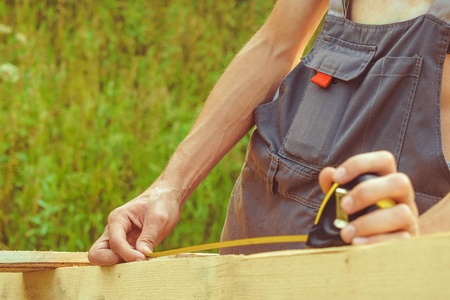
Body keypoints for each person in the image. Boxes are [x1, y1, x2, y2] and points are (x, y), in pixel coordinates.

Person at [88, 0, 450, 265]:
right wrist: (169, 188)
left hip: (377, 274)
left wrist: (415, 251)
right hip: (250, 247)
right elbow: (276, 45)